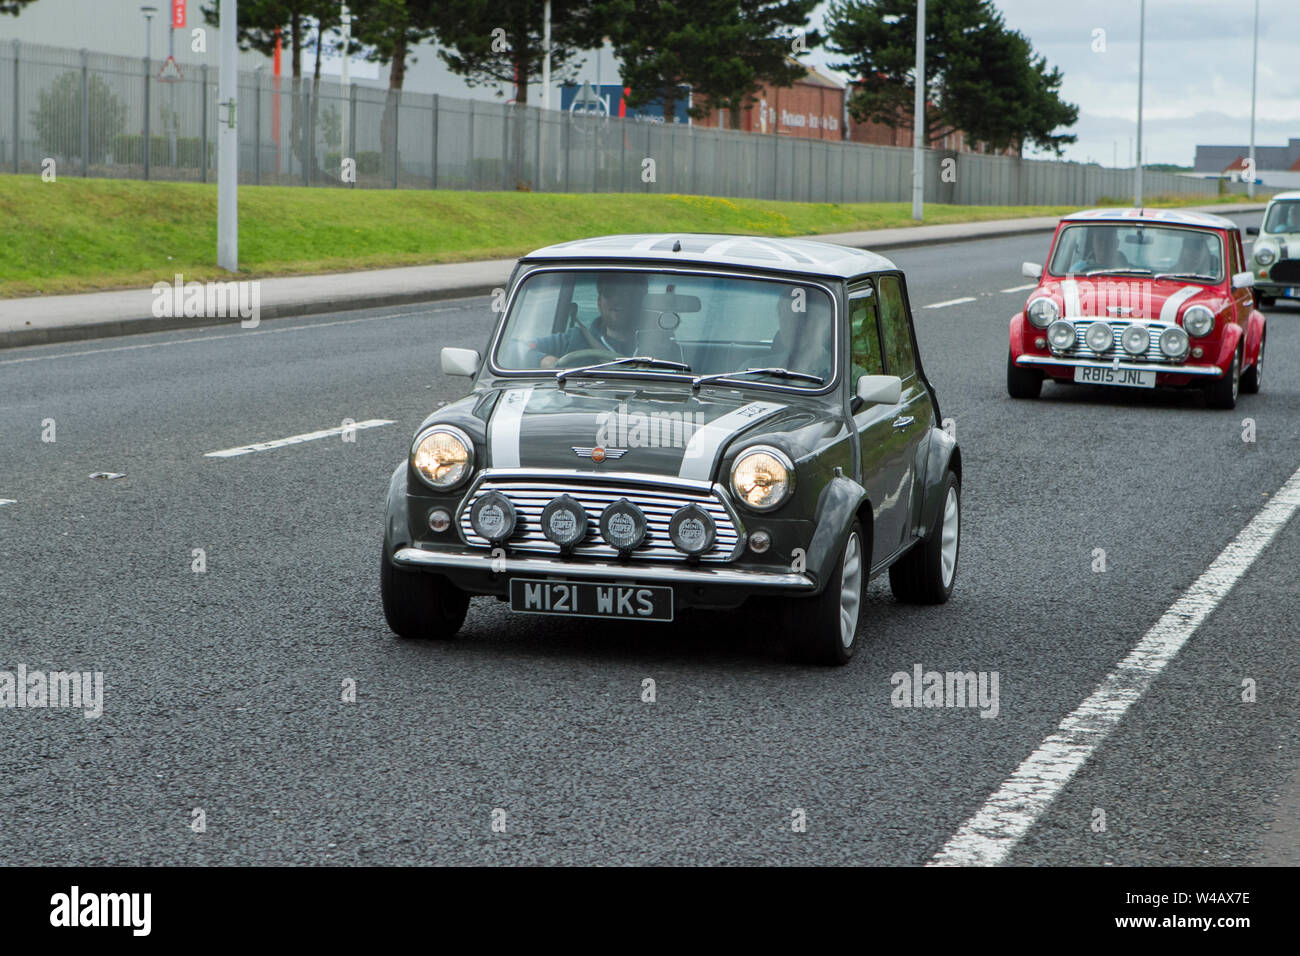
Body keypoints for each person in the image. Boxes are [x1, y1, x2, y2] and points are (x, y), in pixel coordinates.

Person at [530, 274, 649, 368]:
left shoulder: (661, 343)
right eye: (609, 292)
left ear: (640, 299)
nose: (617, 299)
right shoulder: (573, 340)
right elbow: (517, 347)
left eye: (627, 292)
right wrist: (544, 360)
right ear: (599, 302)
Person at [766, 287, 833, 381]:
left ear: (822, 323)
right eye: (786, 318)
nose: (791, 327)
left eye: (801, 320)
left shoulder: (836, 372)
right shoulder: (752, 368)